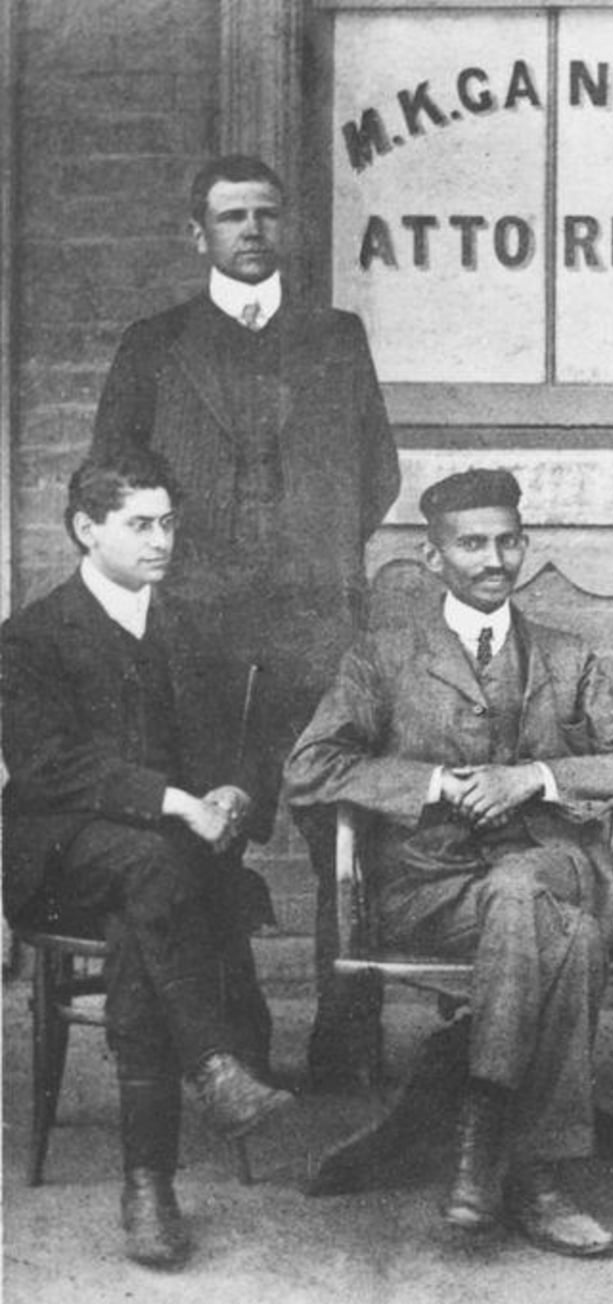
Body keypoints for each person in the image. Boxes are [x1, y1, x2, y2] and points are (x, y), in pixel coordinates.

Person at [284, 468, 613, 1258]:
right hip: (430, 889)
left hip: (547, 866)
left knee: (524, 886)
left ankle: (482, 1134)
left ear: (524, 546)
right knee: (567, 935)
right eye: (471, 544)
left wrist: (537, 778)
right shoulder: (383, 658)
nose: (493, 559)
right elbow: (309, 768)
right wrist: (433, 784)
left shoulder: (567, 658)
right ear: (435, 559)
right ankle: (533, 1171)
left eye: (506, 542)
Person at [91, 154, 401, 1088]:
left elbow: (377, 473)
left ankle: (347, 1044)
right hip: (198, 631)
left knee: (345, 829)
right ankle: (238, 1044)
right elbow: (112, 479)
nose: (252, 231)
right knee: (207, 829)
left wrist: (313, 556)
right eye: (232, 217)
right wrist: (191, 568)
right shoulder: (156, 345)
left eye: (267, 214)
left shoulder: (335, 338)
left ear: (287, 228)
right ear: (200, 235)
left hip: (315, 630)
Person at [1, 448, 294, 1270]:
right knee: (153, 868)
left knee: (147, 909)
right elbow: (48, 768)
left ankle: (149, 1185)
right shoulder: (30, 637)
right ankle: (213, 1061)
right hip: (61, 857)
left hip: (168, 867)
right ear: (85, 529)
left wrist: (233, 791)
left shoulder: (191, 627)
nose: (161, 541)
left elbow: (245, 737)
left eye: (168, 523)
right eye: (139, 525)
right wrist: (176, 803)